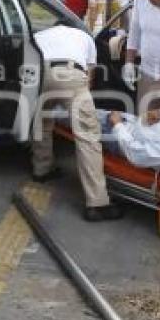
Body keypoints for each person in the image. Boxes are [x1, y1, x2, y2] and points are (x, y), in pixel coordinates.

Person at [31, 22, 124, 222]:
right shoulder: (84, 37)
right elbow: (88, 77)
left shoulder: (41, 34)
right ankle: (97, 203)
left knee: (42, 123)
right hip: (71, 72)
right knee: (88, 137)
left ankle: (42, 169)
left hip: (38, 74)